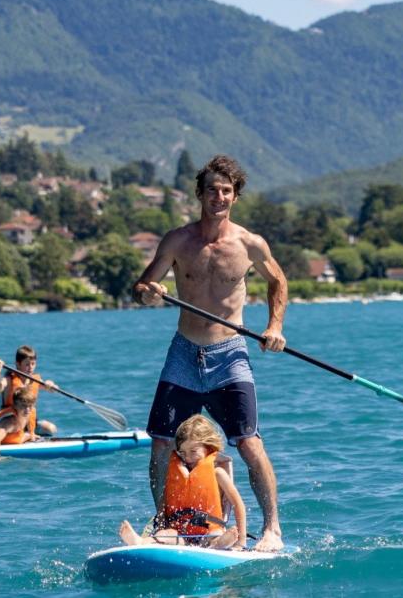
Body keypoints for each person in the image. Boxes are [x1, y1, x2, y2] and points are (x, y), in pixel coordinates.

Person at [132, 154, 288, 552]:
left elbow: (278, 281)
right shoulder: (177, 241)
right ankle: (168, 525)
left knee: (249, 443)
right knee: (161, 443)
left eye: (226, 190)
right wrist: (151, 293)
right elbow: (142, 288)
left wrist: (274, 327)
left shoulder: (250, 244)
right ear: (200, 194)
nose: (218, 196)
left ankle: (271, 529)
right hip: (183, 355)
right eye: (212, 189)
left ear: (234, 197)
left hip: (230, 356)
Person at [119, 414, 247, 550]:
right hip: (181, 533)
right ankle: (141, 542)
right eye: (183, 453)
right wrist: (162, 528)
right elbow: (164, 505)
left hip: (209, 531)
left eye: (193, 451)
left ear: (208, 447)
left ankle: (221, 543)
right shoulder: (177, 475)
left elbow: (238, 504)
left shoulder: (218, 473)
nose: (188, 458)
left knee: (214, 536)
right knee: (166, 534)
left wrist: (242, 541)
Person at [0, 345, 58, 436]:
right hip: (10, 421)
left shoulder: (35, 380)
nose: (30, 367)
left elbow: (54, 390)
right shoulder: (9, 379)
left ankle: (31, 435)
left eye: (33, 364)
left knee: (51, 429)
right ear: (18, 364)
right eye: (27, 364)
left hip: (27, 422)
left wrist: (51, 384)